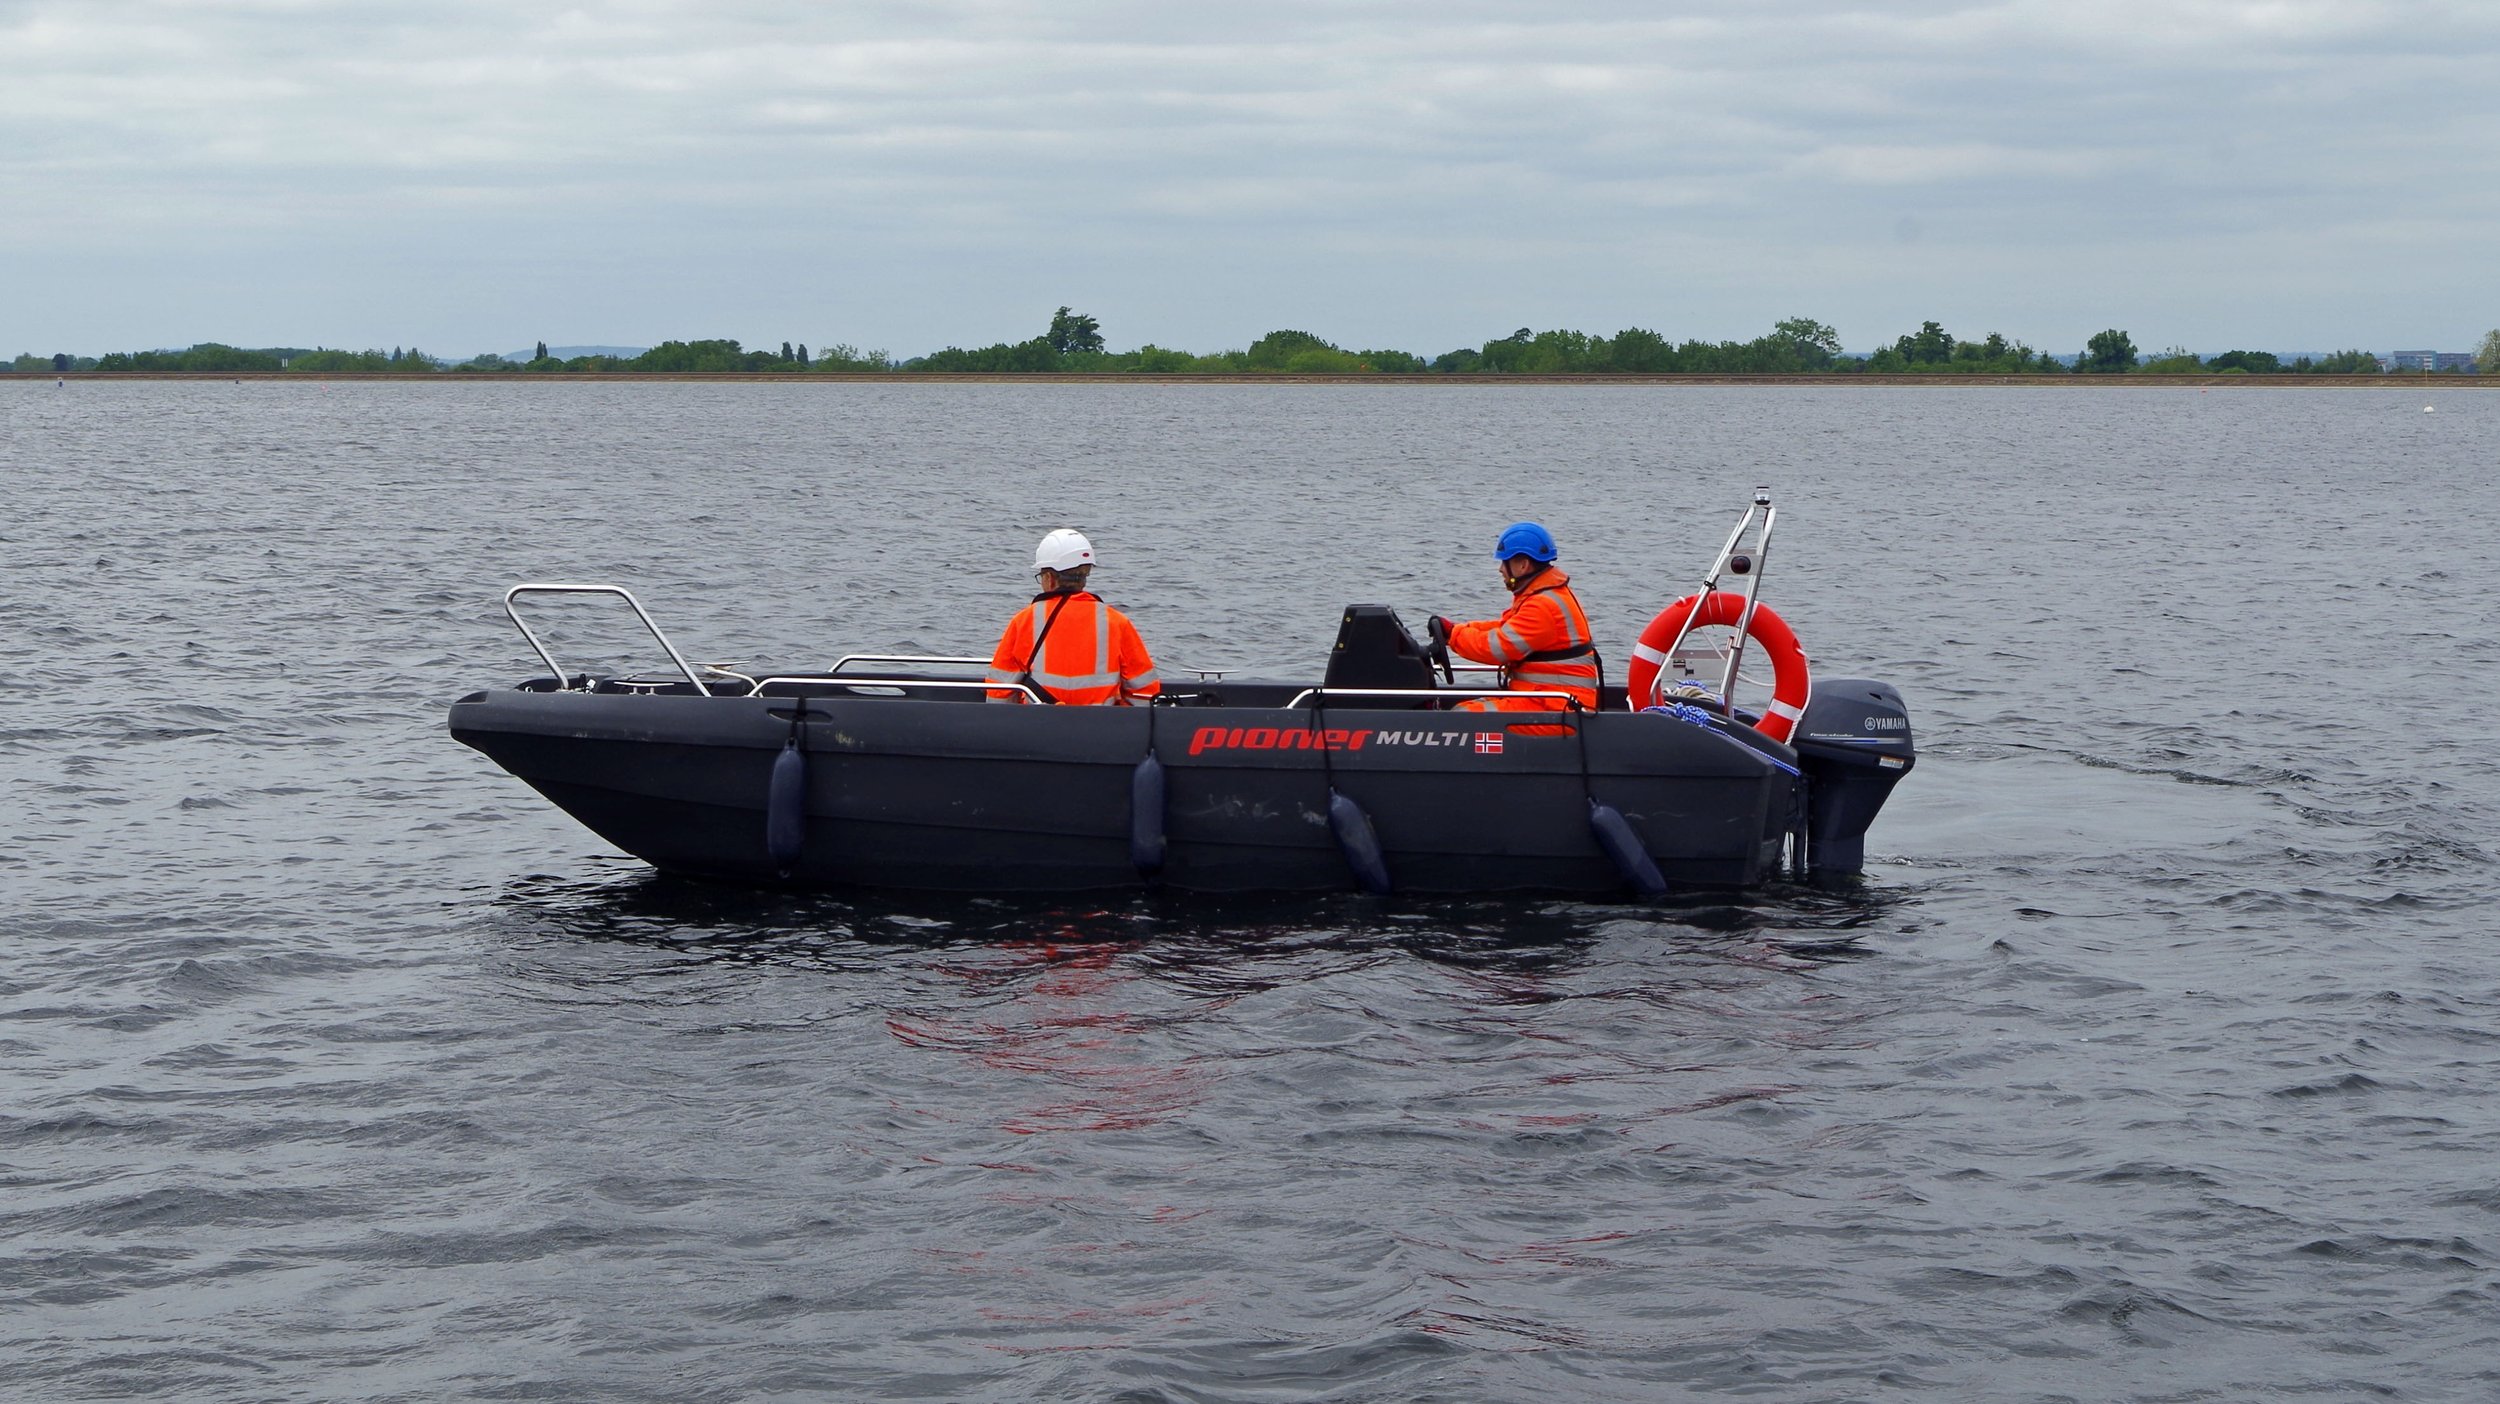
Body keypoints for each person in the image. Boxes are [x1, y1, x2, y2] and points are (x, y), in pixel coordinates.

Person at [1429, 522, 1600, 729]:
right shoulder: (1543, 596)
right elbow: (1505, 628)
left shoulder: (1542, 606)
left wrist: (1454, 635)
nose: (1501, 569)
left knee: (1463, 718)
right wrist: (1457, 629)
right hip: (1549, 700)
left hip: (1558, 710)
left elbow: (1496, 648)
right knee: (1464, 711)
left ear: (1523, 565)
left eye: (1505, 562)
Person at [986, 529, 1162, 705]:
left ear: (1049, 578)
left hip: (1039, 721)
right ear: (1084, 578)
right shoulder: (1117, 622)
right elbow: (1144, 693)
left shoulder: (1024, 621)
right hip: (1101, 722)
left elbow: (999, 692)